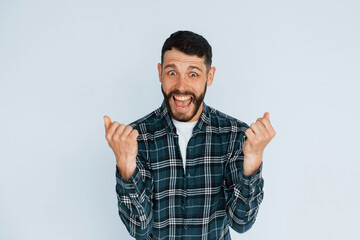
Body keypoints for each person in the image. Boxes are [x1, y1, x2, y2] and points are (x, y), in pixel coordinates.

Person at [103, 30, 276, 240]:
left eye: (193, 74)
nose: (181, 86)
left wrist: (253, 162)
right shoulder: (136, 138)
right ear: (160, 73)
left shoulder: (235, 135)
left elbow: (241, 223)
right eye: (172, 72)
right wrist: (126, 166)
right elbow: (139, 228)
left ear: (209, 76)